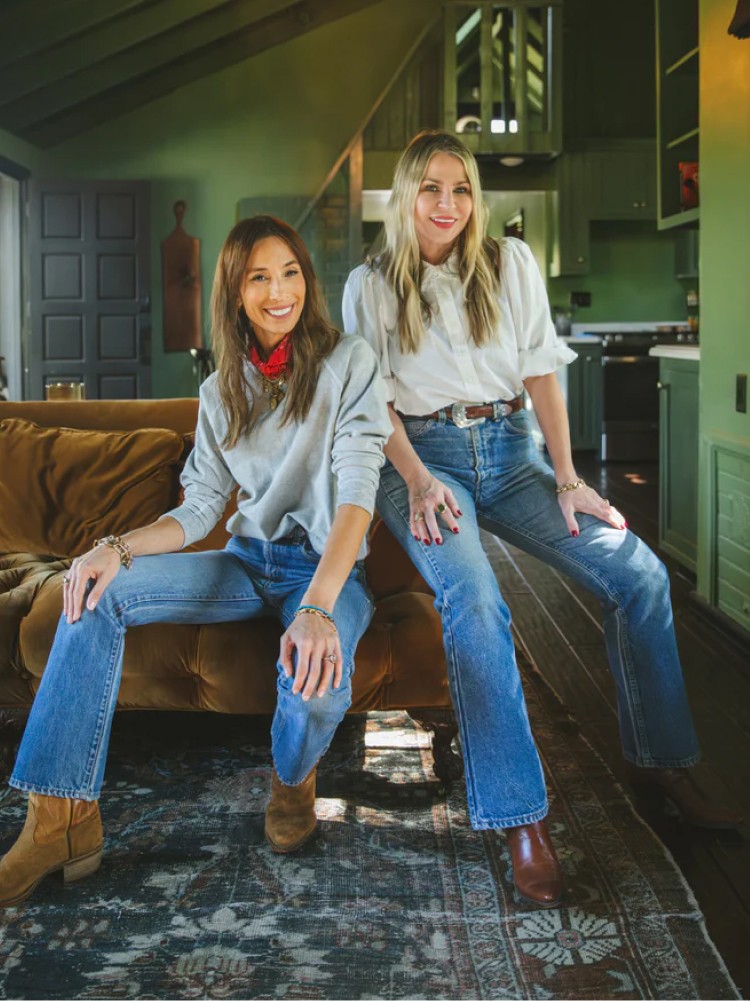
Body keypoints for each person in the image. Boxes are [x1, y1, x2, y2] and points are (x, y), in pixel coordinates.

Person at [343, 130, 742, 908]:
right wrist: (420, 481)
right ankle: (521, 814)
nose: (448, 205)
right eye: (430, 188)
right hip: (420, 457)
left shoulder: (510, 263)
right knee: (479, 602)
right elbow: (374, 401)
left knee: (638, 569)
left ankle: (660, 763)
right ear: (405, 195)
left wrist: (569, 477)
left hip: (510, 448)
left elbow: (539, 370)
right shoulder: (372, 284)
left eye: (460, 189)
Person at [0, 215, 391, 907]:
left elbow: (359, 490)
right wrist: (112, 548)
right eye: (260, 277)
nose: (280, 292)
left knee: (319, 684)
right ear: (235, 293)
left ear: (308, 277)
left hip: (326, 569)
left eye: (291, 272)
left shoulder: (348, 362)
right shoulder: (220, 392)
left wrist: (317, 606)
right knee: (90, 592)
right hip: (244, 561)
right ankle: (60, 817)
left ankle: (293, 777)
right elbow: (200, 510)